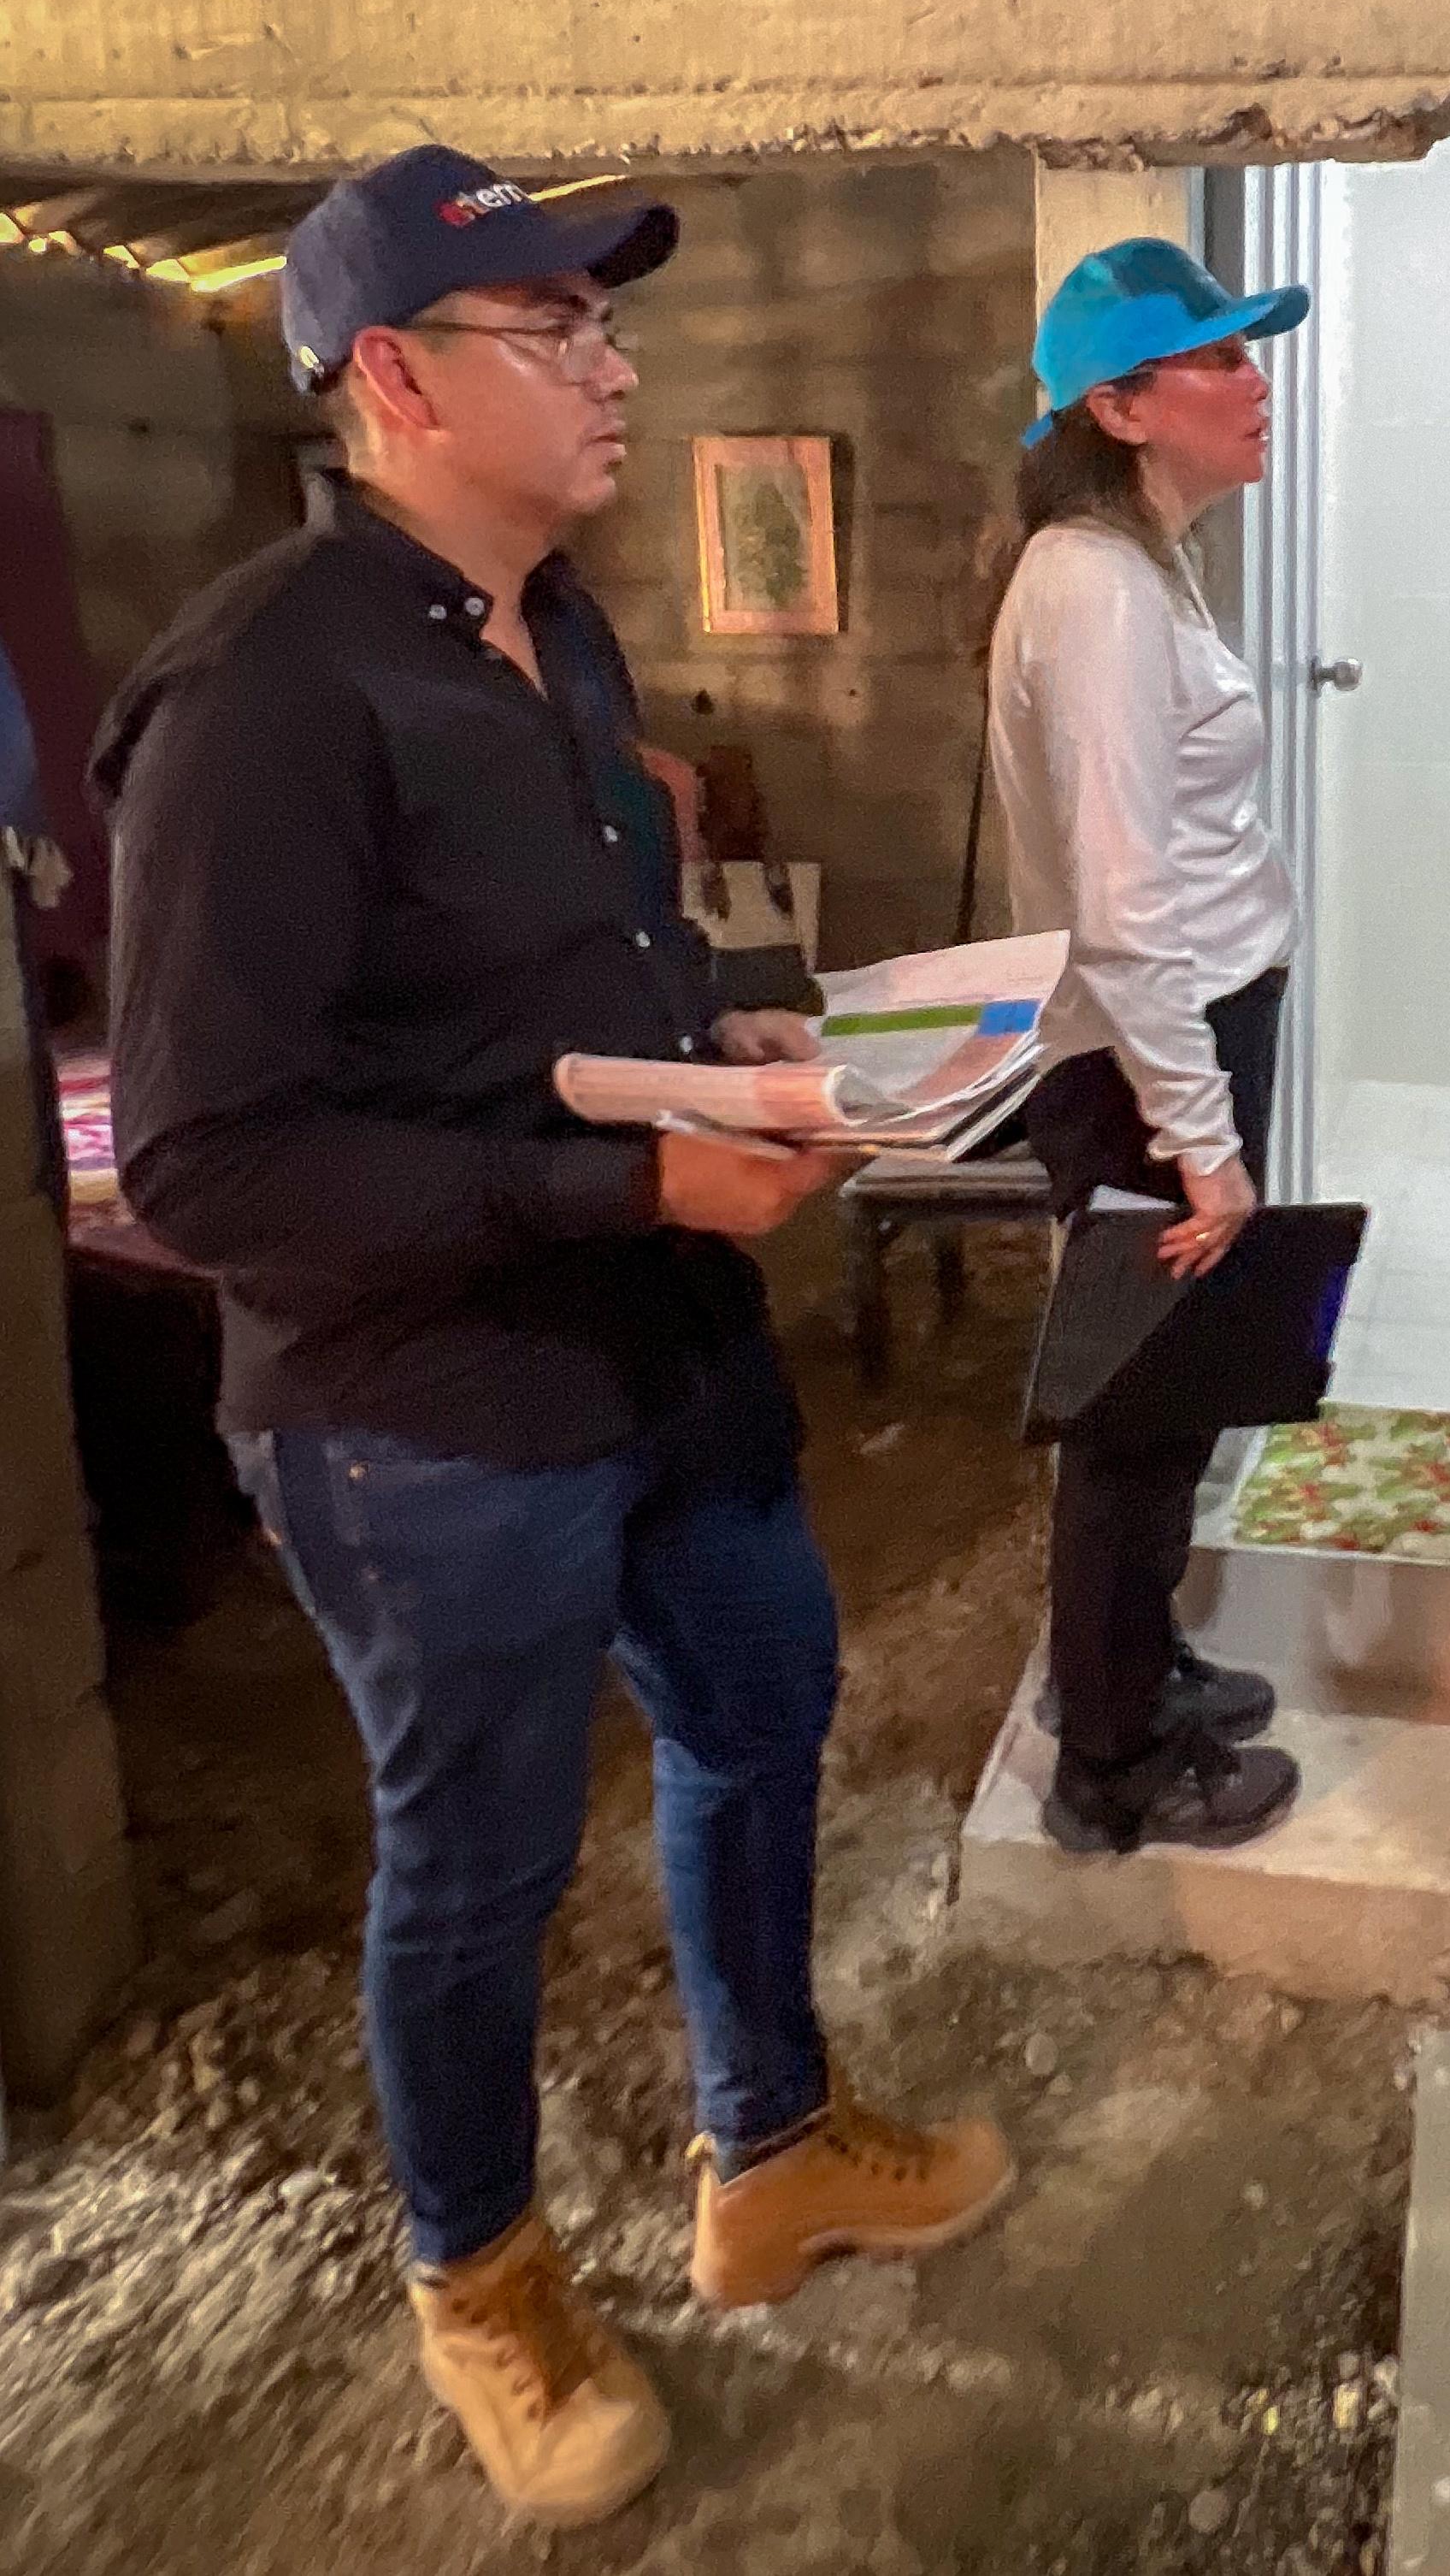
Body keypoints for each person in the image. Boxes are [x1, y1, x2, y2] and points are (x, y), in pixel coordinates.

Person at [94, 149, 1014, 2534]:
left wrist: (757, 1046)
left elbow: (571, 990)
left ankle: (772, 2149)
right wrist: (623, 1183)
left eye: (610, 321)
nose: (617, 366)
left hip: (663, 1343)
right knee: (480, 1860)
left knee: (761, 1712)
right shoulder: (266, 692)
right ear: (395, 380)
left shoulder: (563, 632)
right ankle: (481, 2278)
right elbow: (204, 1164)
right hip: (427, 1412)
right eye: (558, 328)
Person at [986, 236, 1310, 1858]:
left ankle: (1128, 1669)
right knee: (1134, 1418)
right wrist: (1204, 1144)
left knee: (1164, 1401)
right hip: (1140, 1063)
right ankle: (1110, 1767)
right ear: (1119, 406)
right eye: (1221, 358)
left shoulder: (1136, 561)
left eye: (1253, 350)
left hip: (1167, 1041)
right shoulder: (1099, 589)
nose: (1256, 382)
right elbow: (1122, 910)